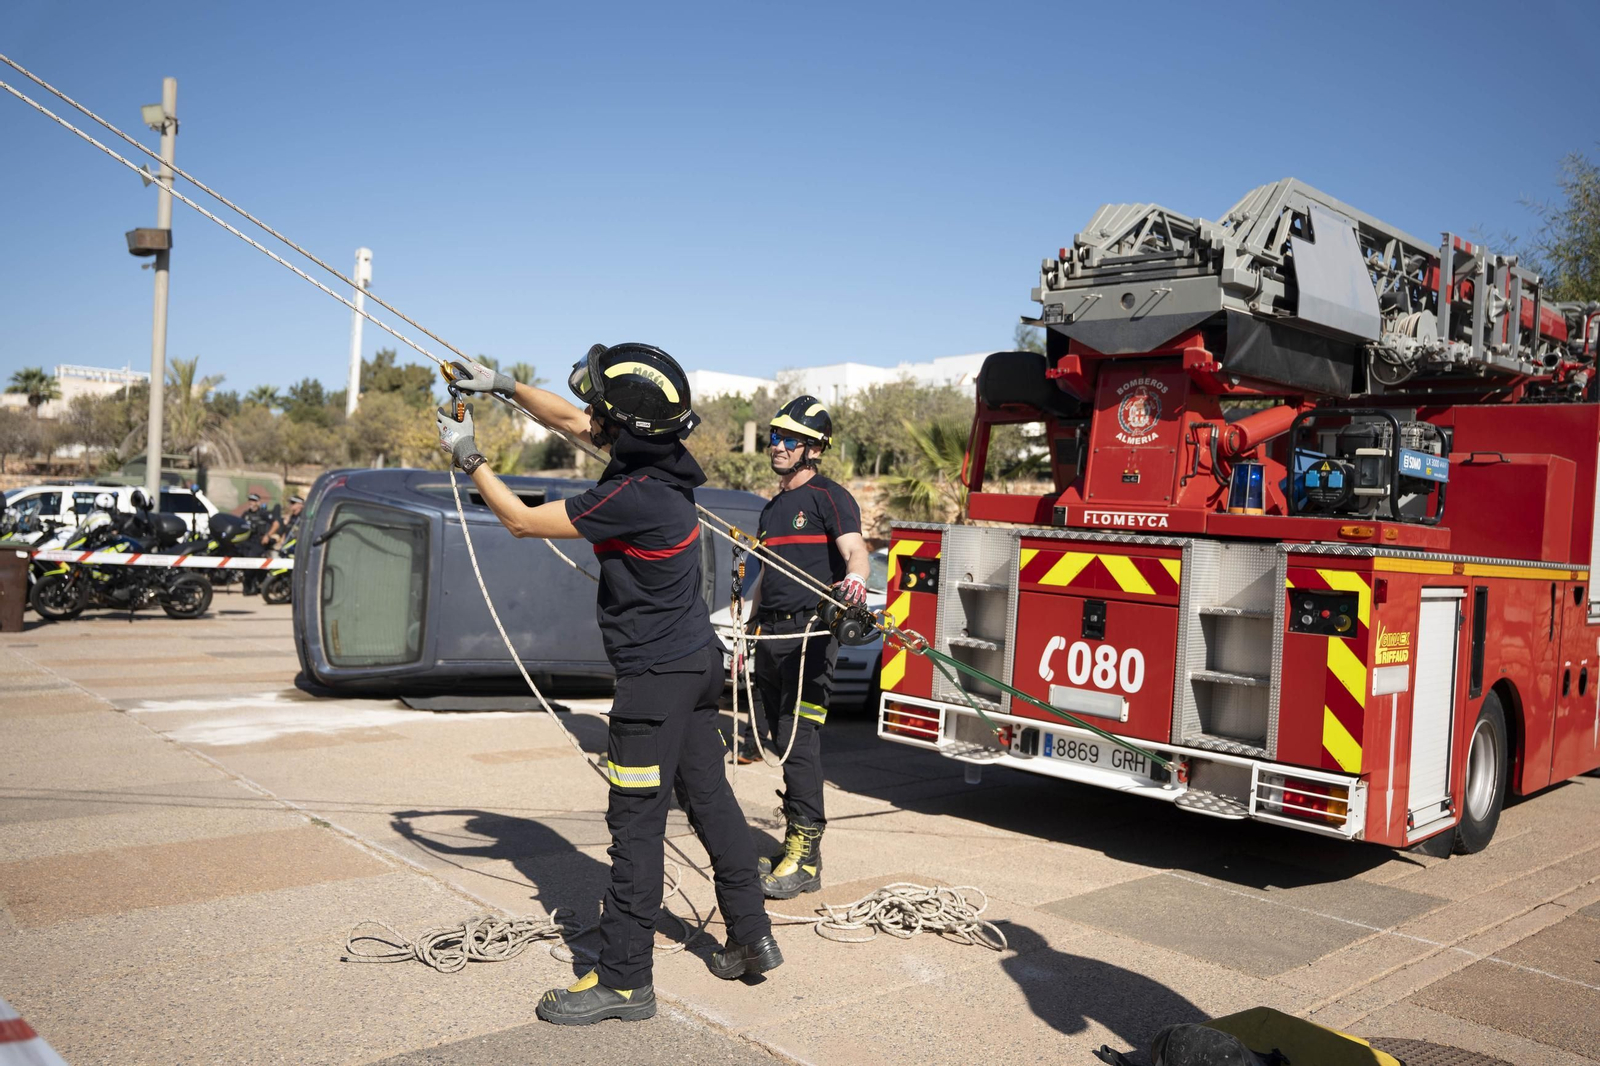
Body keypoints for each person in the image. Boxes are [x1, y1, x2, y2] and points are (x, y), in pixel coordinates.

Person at [437, 344, 783, 1026]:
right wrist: (503, 385)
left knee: (635, 827)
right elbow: (572, 420)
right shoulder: (664, 463)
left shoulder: (630, 497)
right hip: (695, 665)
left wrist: (470, 456)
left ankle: (625, 980)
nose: (589, 417)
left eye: (602, 410)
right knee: (711, 804)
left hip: (653, 682)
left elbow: (521, 521)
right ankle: (749, 935)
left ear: (626, 426)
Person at [744, 396, 870, 900]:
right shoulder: (771, 509)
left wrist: (856, 580)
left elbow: (855, 549)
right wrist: (746, 629)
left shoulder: (829, 496)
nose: (778, 445)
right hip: (770, 637)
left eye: (790, 439)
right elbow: (764, 579)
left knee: (799, 744)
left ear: (813, 449)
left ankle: (807, 858)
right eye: (774, 436)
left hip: (811, 638)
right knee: (778, 739)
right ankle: (792, 845)